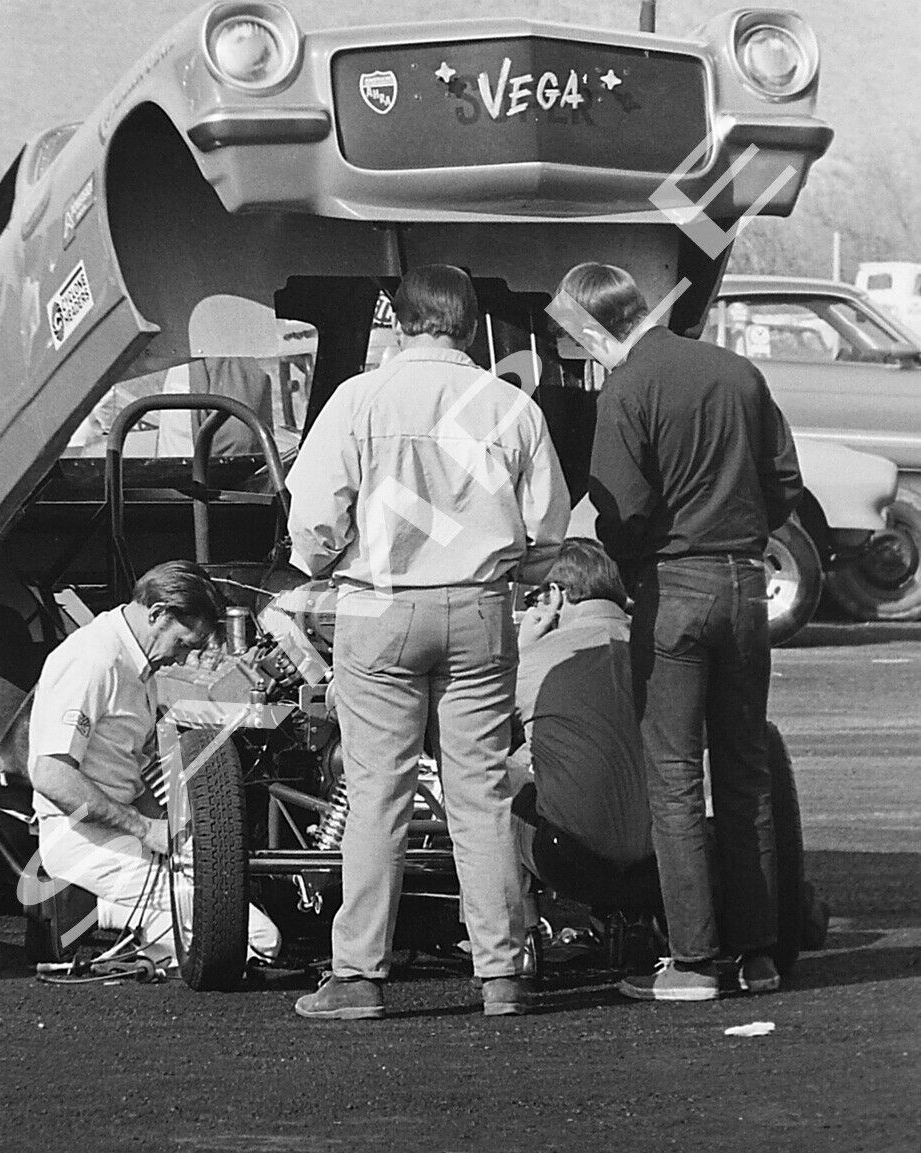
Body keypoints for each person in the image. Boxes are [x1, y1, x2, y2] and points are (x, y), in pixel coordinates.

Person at [288, 264, 571, 1019]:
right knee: (478, 793)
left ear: (399, 318)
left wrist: (320, 564)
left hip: (379, 608)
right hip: (480, 609)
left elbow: (316, 518)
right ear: (471, 320)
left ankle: (358, 976)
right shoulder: (511, 406)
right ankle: (501, 970)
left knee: (378, 789)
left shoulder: (358, 399)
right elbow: (548, 528)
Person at [559, 262, 802, 1000]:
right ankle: (758, 953)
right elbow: (785, 480)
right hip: (745, 583)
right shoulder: (737, 371)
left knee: (672, 778)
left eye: (576, 339)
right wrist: (743, 528)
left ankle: (695, 960)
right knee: (744, 770)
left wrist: (636, 566)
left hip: (672, 587)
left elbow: (620, 510)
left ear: (597, 327)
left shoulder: (627, 387)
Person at [28, 560, 281, 972]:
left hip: (113, 833)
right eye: (183, 644)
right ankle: (84, 908)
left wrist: (170, 833)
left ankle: (99, 918)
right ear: (157, 614)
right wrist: (146, 830)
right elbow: (51, 775)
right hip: (80, 839)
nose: (182, 657)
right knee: (258, 939)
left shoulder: (136, 665)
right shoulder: (95, 660)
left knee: (208, 924)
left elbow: (129, 770)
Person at [509, 538, 654, 900]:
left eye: (534, 598)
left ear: (554, 595)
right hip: (662, 857)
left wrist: (522, 652)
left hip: (570, 858)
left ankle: (510, 935)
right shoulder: (663, 652)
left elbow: (475, 734)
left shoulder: (539, 659)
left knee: (477, 782)